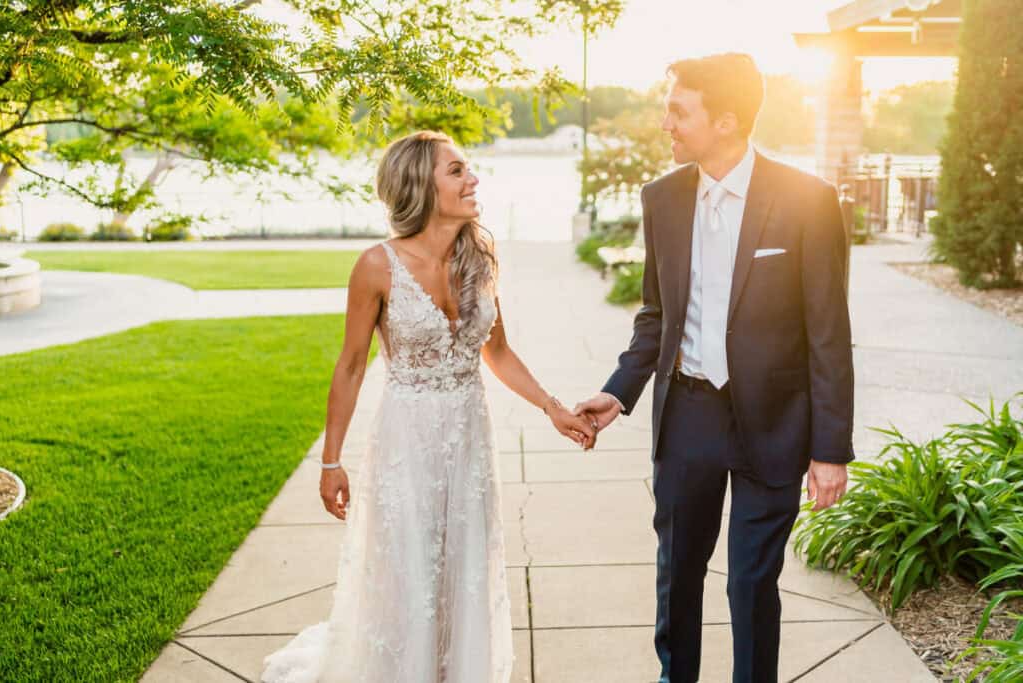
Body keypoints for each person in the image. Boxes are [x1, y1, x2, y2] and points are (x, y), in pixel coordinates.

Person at [262, 130, 594, 683]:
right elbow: (349, 367)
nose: (473, 179)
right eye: (457, 171)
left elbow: (499, 352)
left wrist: (552, 408)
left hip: (469, 438)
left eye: (469, 170)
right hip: (406, 441)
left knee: (464, 566)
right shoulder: (376, 266)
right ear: (421, 184)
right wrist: (330, 460)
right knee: (407, 572)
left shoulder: (481, 260)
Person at [575, 53, 855, 683]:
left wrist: (830, 448)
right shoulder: (663, 199)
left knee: (752, 585)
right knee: (679, 576)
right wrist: (617, 393)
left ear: (726, 121)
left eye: (679, 111)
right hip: (689, 416)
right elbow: (656, 316)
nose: (664, 123)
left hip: (776, 423)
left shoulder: (809, 200)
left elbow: (829, 335)